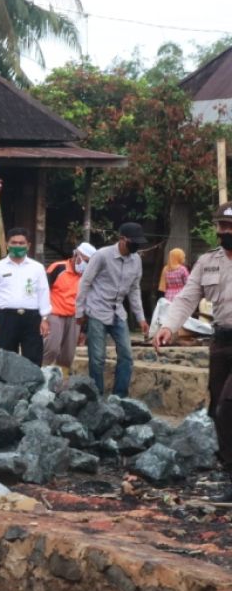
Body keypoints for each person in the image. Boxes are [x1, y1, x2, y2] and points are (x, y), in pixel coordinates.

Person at [155, 203, 232, 500]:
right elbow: (187, 298)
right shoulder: (207, 262)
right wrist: (168, 327)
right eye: (221, 227)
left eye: (229, 227)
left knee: (228, 403)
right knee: (217, 407)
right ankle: (227, 467)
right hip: (221, 341)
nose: (224, 232)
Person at [75, 222, 150, 397]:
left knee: (126, 355)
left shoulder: (136, 260)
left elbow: (134, 289)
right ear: (122, 239)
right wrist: (79, 312)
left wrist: (141, 318)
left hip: (118, 312)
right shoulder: (102, 255)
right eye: (134, 241)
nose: (137, 245)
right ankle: (97, 396)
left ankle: (120, 396)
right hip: (97, 310)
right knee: (97, 358)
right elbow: (85, 283)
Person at [0, 227, 51, 366]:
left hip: (32, 319)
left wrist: (45, 318)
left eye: (21, 243)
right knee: (6, 360)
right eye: (14, 242)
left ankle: (32, 387)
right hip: (5, 318)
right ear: (7, 244)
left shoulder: (37, 268)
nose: (17, 246)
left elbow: (43, 292)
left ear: (28, 245)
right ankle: (8, 388)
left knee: (33, 358)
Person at [43, 242, 97, 376]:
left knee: (68, 353)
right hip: (54, 313)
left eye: (89, 263)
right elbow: (43, 291)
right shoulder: (58, 268)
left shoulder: (87, 276)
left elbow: (88, 301)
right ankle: (41, 374)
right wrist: (42, 317)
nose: (86, 265)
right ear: (76, 255)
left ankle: (62, 381)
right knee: (52, 348)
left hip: (74, 316)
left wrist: (84, 329)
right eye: (85, 260)